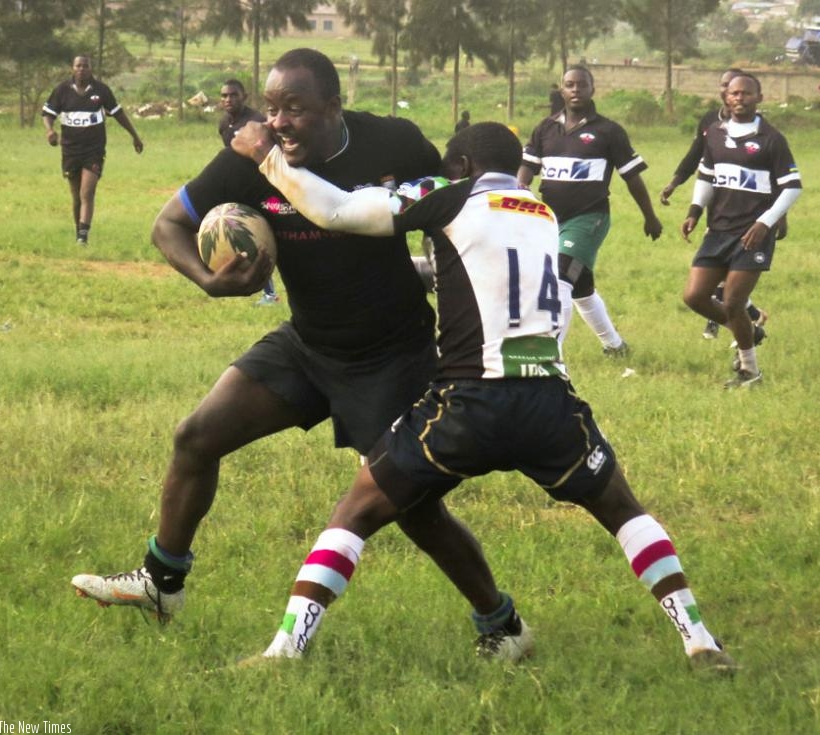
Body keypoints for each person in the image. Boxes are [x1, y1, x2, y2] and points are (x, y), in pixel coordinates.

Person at [230, 122, 736, 673]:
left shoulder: (449, 196)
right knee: (623, 510)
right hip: (550, 402)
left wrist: (267, 158)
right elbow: (476, 272)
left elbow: (336, 211)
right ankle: (700, 638)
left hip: (469, 402)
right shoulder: (541, 214)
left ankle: (285, 649)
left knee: (356, 510)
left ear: (463, 166)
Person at [71, 49, 492, 635]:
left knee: (416, 510)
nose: (277, 122)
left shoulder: (392, 143)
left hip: (391, 353)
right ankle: (161, 585)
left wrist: (451, 282)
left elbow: (458, 210)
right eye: (271, 108)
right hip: (309, 345)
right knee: (196, 437)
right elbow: (167, 224)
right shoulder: (249, 160)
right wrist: (208, 280)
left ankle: (499, 619)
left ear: (334, 107)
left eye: (294, 109)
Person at [517, 65, 662, 356]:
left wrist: (650, 216)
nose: (575, 90)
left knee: (559, 278)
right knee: (581, 288)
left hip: (589, 217)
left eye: (581, 85)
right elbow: (527, 168)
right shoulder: (545, 128)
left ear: (592, 89)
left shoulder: (608, 131)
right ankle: (615, 346)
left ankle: (550, 354)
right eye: (569, 85)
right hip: (549, 219)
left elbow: (632, 177)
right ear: (561, 89)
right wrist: (519, 192)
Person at [681, 73, 801, 388]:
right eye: (734, 93)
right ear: (726, 97)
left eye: (746, 93)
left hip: (752, 234)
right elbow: (706, 175)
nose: (739, 98)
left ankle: (750, 372)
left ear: (759, 97)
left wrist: (766, 222)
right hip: (718, 230)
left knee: (733, 301)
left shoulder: (771, 139)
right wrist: (695, 210)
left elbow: (792, 187)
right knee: (694, 296)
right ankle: (750, 329)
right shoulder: (715, 134)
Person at [660, 68, 770, 342]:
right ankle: (749, 319)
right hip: (718, 212)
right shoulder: (710, 122)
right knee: (716, 278)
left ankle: (735, 322)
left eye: (736, 88)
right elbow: (697, 157)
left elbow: (775, 178)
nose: (728, 92)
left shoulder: (759, 129)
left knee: (725, 281)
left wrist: (778, 218)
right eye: (724, 87)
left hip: (748, 215)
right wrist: (676, 183)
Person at [42, 55, 144, 245]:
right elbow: (48, 114)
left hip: (93, 150)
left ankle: (83, 236)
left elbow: (118, 113)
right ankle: (78, 232)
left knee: (87, 192)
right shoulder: (62, 90)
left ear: (91, 69)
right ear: (72, 68)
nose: (81, 69)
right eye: (78, 65)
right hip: (70, 151)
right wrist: (50, 131)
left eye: (85, 66)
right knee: (76, 196)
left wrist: (135, 136)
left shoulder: (101, 90)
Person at [218, 78, 280, 306]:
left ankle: (271, 294)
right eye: (224, 96)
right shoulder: (224, 125)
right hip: (240, 188)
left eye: (233, 95)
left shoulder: (257, 122)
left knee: (260, 238)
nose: (228, 99)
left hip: (264, 187)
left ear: (244, 97)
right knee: (243, 236)